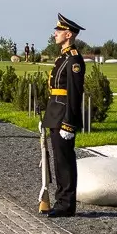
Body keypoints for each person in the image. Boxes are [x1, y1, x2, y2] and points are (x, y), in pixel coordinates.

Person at [41, 13, 86, 218]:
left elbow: (75, 94)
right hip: (55, 113)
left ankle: (67, 204)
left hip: (63, 117)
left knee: (65, 161)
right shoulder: (63, 57)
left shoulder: (74, 59)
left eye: (58, 31)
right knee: (59, 161)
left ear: (68, 34)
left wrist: (69, 122)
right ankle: (61, 200)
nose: (54, 34)